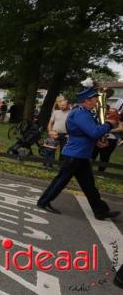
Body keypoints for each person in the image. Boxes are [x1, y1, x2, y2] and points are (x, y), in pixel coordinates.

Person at [37, 83, 122, 219]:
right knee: (61, 181)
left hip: (80, 154)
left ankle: (100, 211)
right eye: (95, 97)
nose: (97, 100)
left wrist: (100, 138)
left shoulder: (84, 112)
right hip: (74, 155)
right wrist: (109, 124)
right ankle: (43, 202)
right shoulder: (80, 113)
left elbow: (90, 133)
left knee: (89, 185)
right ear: (87, 100)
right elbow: (93, 132)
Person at [92, 108, 120, 172]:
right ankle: (88, 169)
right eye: (109, 111)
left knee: (104, 157)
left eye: (112, 111)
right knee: (92, 154)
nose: (110, 112)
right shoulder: (99, 116)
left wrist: (106, 130)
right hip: (98, 137)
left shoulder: (117, 118)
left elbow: (120, 128)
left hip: (111, 139)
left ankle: (101, 172)